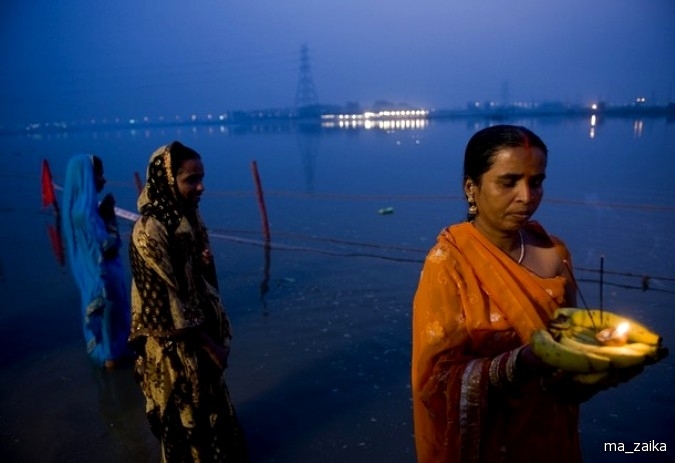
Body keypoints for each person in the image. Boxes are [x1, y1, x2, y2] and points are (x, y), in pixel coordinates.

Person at [411, 125, 585, 462]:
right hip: (493, 442)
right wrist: (520, 363)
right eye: (509, 182)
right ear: (471, 189)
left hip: (551, 430)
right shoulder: (449, 263)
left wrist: (593, 365)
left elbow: (574, 338)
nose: (526, 196)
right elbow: (435, 383)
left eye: (536, 182)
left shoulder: (555, 252)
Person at [128, 141, 248, 462]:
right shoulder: (148, 231)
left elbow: (203, 283)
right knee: (184, 417)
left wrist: (204, 263)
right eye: (191, 180)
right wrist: (211, 347)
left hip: (201, 334)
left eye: (202, 178)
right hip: (175, 348)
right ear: (168, 181)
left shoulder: (188, 218)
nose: (200, 187)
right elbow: (164, 306)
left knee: (212, 415)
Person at [62, 154, 132, 368]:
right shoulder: (85, 214)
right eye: (100, 174)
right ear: (87, 177)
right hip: (104, 282)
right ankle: (116, 387)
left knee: (108, 330)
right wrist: (110, 218)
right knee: (111, 333)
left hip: (99, 279)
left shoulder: (82, 212)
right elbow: (105, 248)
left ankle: (111, 391)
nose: (104, 179)